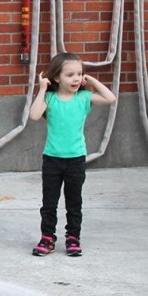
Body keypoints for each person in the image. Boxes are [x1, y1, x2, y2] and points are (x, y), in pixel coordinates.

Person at [29, 52, 117, 257]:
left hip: (76, 160)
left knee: (74, 203)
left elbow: (110, 98)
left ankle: (73, 238)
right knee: (49, 203)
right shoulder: (49, 98)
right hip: (52, 159)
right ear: (57, 78)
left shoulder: (84, 97)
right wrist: (42, 89)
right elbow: (34, 116)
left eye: (79, 74)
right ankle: (47, 238)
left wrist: (93, 80)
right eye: (70, 75)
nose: (76, 78)